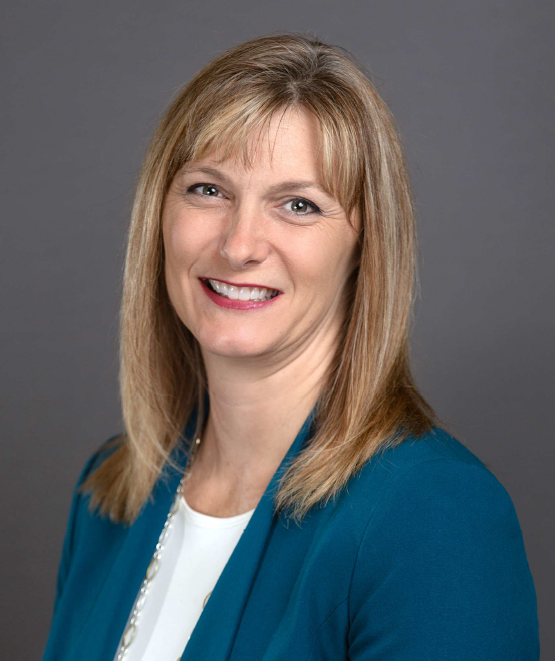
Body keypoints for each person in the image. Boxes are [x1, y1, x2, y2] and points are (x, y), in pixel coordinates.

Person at [42, 32, 539, 660]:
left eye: (299, 205)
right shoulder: (109, 495)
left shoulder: (437, 521)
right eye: (208, 189)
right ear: (158, 214)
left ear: (364, 249)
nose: (239, 243)